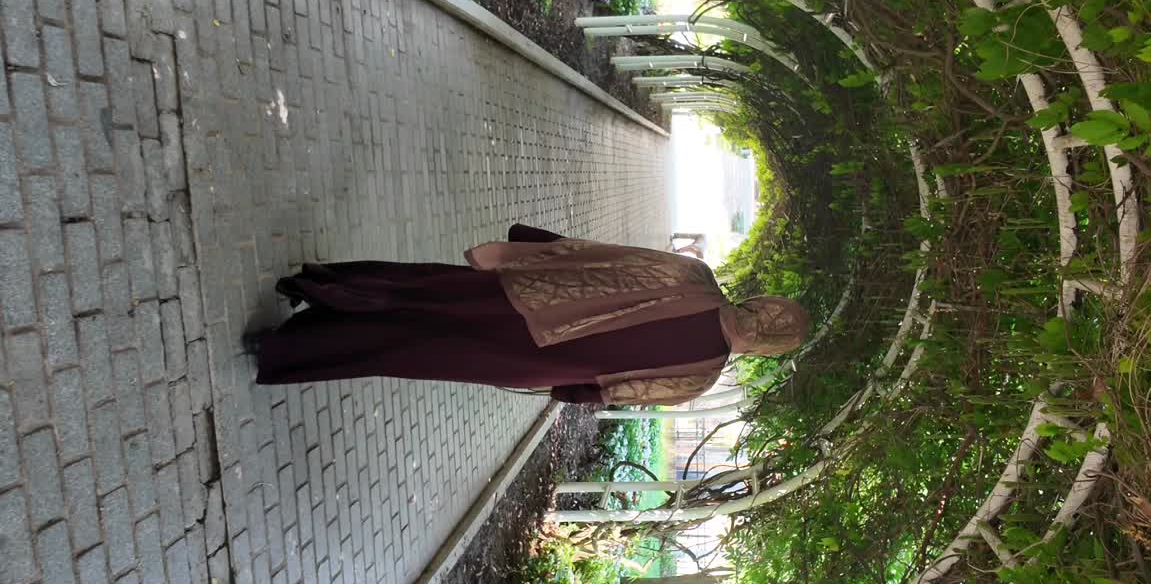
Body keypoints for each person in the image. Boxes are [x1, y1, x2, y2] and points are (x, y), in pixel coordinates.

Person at [248, 224, 809, 406]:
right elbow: (604, 394)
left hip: (531, 299)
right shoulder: (698, 378)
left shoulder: (694, 277)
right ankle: (284, 349)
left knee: (423, 293)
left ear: (761, 303)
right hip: (531, 359)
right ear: (765, 349)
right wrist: (559, 381)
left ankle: (316, 286)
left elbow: (603, 259)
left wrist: (535, 245)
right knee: (416, 351)